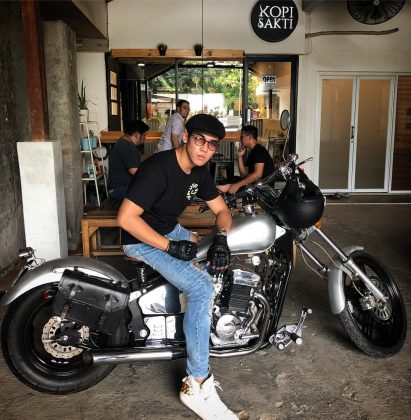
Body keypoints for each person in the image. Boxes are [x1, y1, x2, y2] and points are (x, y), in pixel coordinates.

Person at [117, 114, 238, 420]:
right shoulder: (158, 169)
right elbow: (126, 219)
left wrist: (221, 238)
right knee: (201, 287)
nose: (205, 148)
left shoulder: (199, 172)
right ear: (185, 137)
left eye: (212, 144)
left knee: (210, 252)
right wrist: (170, 247)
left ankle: (191, 318)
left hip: (168, 228)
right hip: (139, 238)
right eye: (199, 140)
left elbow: (222, 210)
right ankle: (197, 383)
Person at [218, 125, 275, 195]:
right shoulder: (252, 152)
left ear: (249, 137)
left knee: (228, 187)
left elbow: (257, 175)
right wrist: (239, 157)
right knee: (233, 179)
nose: (240, 139)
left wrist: (238, 185)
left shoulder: (259, 151)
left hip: (262, 188)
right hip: (254, 185)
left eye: (242, 136)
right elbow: (244, 173)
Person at [108, 120, 149, 201]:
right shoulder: (126, 146)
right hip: (120, 189)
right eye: (144, 135)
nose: (145, 138)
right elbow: (134, 171)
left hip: (120, 188)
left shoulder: (123, 142)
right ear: (137, 134)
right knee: (152, 191)